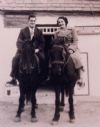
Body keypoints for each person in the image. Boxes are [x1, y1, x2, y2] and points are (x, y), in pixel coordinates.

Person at [6, 14, 45, 86]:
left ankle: (43, 77)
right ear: (28, 21)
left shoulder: (39, 31)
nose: (32, 22)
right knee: (15, 59)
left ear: (35, 22)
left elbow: (42, 42)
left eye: (34, 21)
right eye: (31, 21)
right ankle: (13, 78)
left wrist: (38, 49)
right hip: (24, 51)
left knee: (43, 59)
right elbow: (18, 42)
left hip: (35, 50)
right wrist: (23, 50)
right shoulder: (23, 31)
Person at [53, 16, 84, 85]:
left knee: (77, 58)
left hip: (71, 47)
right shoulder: (56, 32)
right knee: (55, 58)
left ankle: (80, 78)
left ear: (65, 22)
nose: (60, 23)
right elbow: (56, 43)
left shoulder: (72, 29)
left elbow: (75, 41)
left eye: (62, 22)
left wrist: (71, 49)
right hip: (61, 48)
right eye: (59, 22)